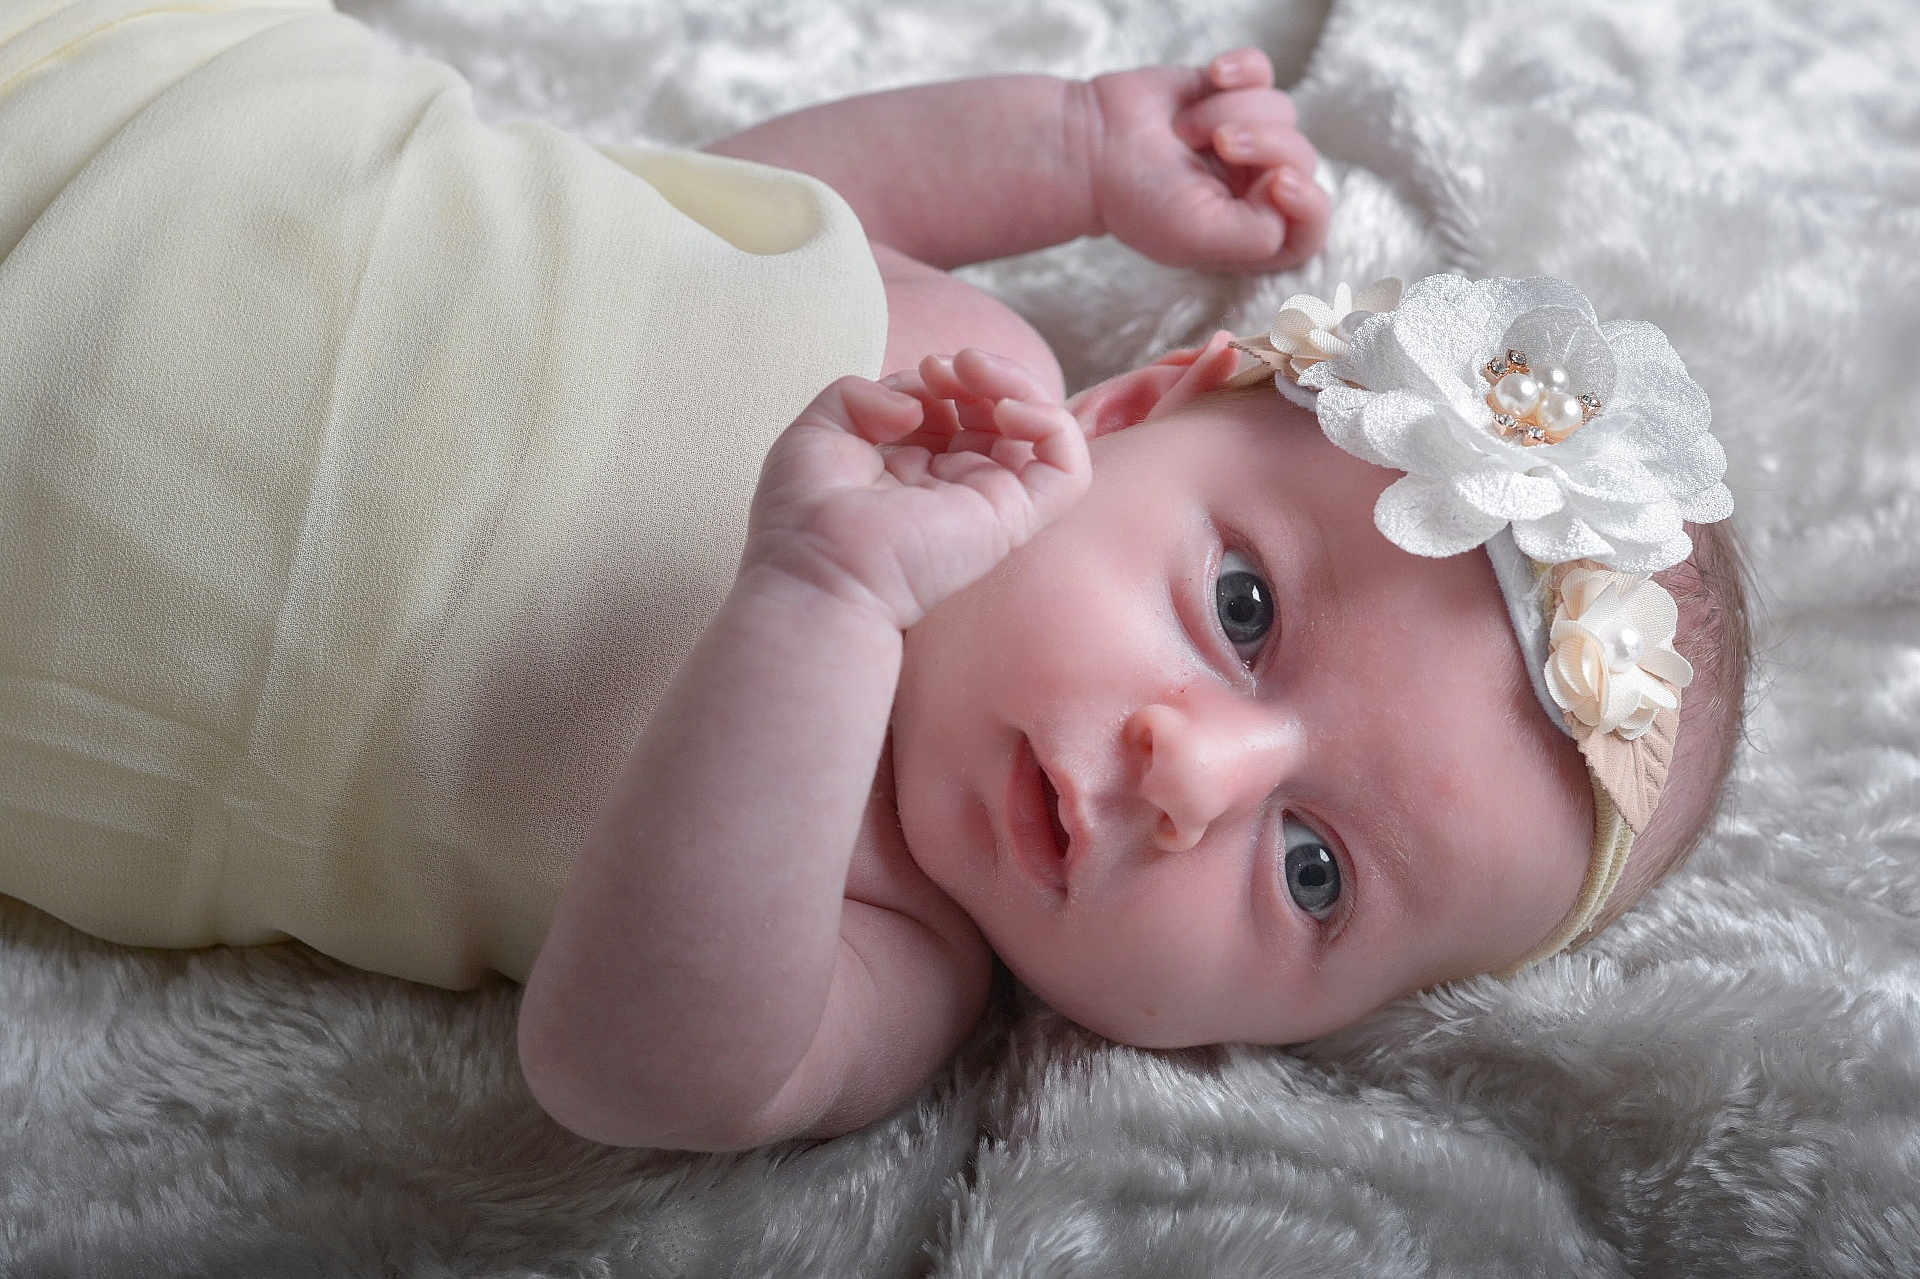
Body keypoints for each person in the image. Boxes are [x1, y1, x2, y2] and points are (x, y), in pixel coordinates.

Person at [0, 3, 1749, 1156]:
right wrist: (1071, 145)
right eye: (1241, 614)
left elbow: (620, 1073)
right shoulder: (944, 350)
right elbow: (727, 203)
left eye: (1314, 876)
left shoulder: (883, 958)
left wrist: (820, 611)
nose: (1188, 775)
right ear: (1131, 408)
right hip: (150, 100)